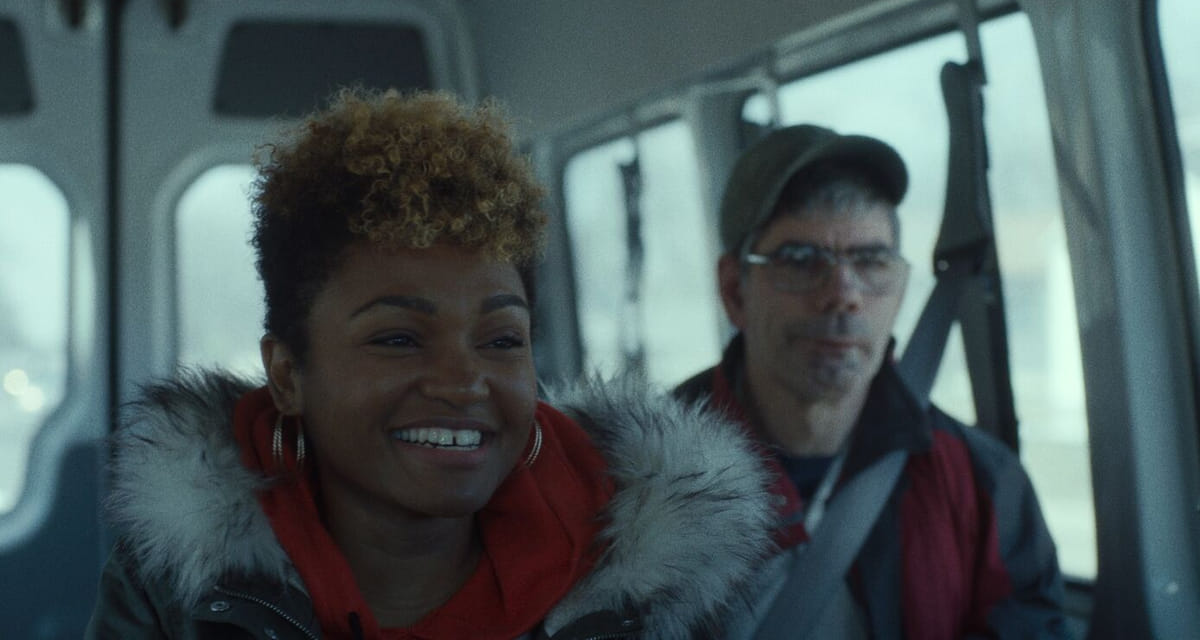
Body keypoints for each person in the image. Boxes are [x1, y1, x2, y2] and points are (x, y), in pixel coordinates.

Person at [87, 88, 775, 640]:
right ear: (289, 376)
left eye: (501, 341)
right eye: (398, 339)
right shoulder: (176, 595)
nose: (463, 382)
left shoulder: (651, 596)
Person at [675, 124, 1068, 639]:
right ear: (735, 291)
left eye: (871, 260)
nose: (844, 294)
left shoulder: (980, 482)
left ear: (900, 289)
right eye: (800, 260)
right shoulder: (639, 475)